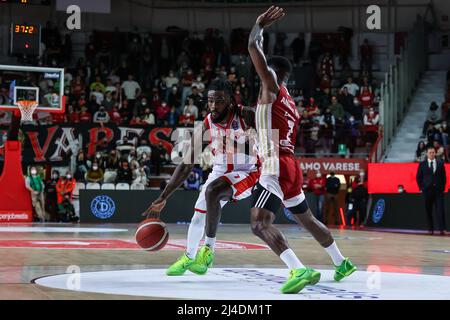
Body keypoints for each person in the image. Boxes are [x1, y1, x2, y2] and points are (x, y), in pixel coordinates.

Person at [244, 6, 356, 294]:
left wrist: (259, 25)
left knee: (259, 223)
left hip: (274, 165)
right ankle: (341, 262)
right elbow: (268, 120)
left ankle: (298, 268)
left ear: (272, 72)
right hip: (291, 164)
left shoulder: (270, 84)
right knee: (307, 218)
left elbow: (252, 46)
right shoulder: (290, 102)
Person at [143, 79, 259, 277]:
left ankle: (208, 252)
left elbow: (272, 137)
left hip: (248, 171)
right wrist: (164, 196)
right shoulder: (206, 124)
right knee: (197, 216)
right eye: (210, 101)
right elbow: (187, 163)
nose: (213, 106)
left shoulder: (246, 114)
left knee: (213, 190)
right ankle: (189, 256)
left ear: (230, 101)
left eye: (219, 101)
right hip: (220, 172)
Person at [416, 147, 448, 235]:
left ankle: (443, 229)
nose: (432, 154)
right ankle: (430, 229)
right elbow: (419, 177)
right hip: (427, 191)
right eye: (430, 152)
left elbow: (444, 178)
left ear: (435, 153)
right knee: (428, 210)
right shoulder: (422, 164)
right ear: (427, 154)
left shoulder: (440, 163)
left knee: (440, 210)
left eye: (433, 152)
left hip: (438, 192)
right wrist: (422, 188)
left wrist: (442, 188)